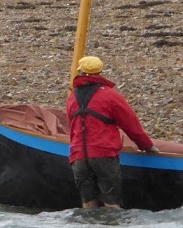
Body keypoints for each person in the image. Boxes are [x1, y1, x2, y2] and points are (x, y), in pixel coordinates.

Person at [65, 55, 158, 209]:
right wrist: (147, 146)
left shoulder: (72, 98)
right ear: (99, 72)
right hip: (103, 155)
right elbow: (131, 125)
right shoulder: (110, 96)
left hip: (78, 156)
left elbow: (72, 127)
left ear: (80, 72)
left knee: (87, 204)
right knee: (112, 203)